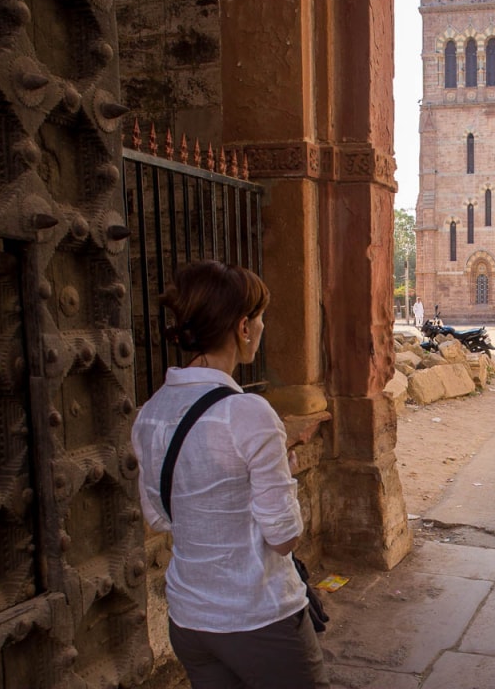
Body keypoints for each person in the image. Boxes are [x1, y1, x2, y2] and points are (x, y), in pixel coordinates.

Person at [131, 260, 328, 689]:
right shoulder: (248, 413)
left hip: (189, 619)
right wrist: (284, 475)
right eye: (259, 319)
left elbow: (161, 518)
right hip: (258, 617)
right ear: (242, 327)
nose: (261, 328)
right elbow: (284, 538)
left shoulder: (149, 414)